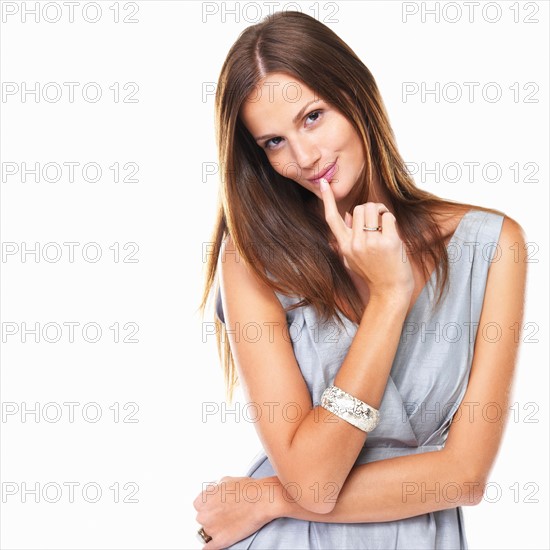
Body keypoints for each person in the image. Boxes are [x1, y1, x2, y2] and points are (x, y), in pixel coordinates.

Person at [193, 10, 527, 550]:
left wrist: (271, 496)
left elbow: (465, 477)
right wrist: (389, 298)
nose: (305, 157)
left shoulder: (491, 247)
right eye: (273, 142)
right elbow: (314, 482)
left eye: (312, 117)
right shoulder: (253, 259)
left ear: (355, 94)